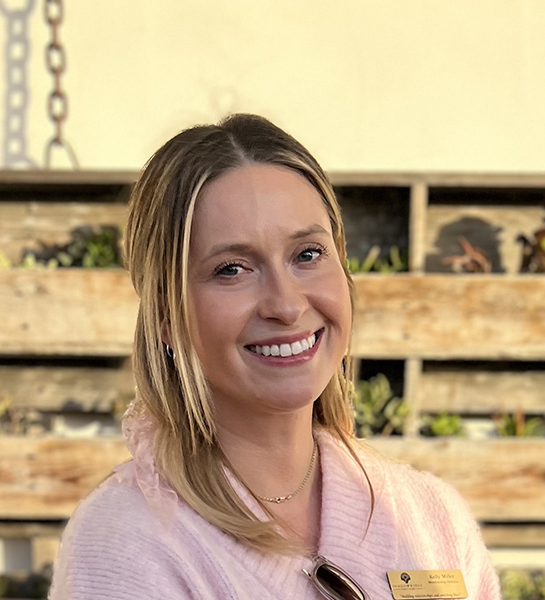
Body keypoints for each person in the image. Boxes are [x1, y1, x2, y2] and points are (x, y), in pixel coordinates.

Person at [48, 113, 502, 600]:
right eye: (232, 269)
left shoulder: (434, 519)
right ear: (166, 315)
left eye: (307, 254)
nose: (286, 306)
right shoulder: (126, 544)